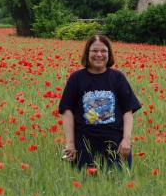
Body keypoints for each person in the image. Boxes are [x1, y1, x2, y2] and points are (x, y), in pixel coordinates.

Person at [58, 35, 141, 169]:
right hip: (84, 147)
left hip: (115, 146)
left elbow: (128, 111)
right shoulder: (76, 78)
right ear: (87, 53)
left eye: (103, 51)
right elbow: (67, 111)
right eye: (94, 51)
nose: (99, 55)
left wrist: (126, 140)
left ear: (109, 54)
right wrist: (70, 143)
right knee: (86, 187)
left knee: (117, 185)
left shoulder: (117, 78)